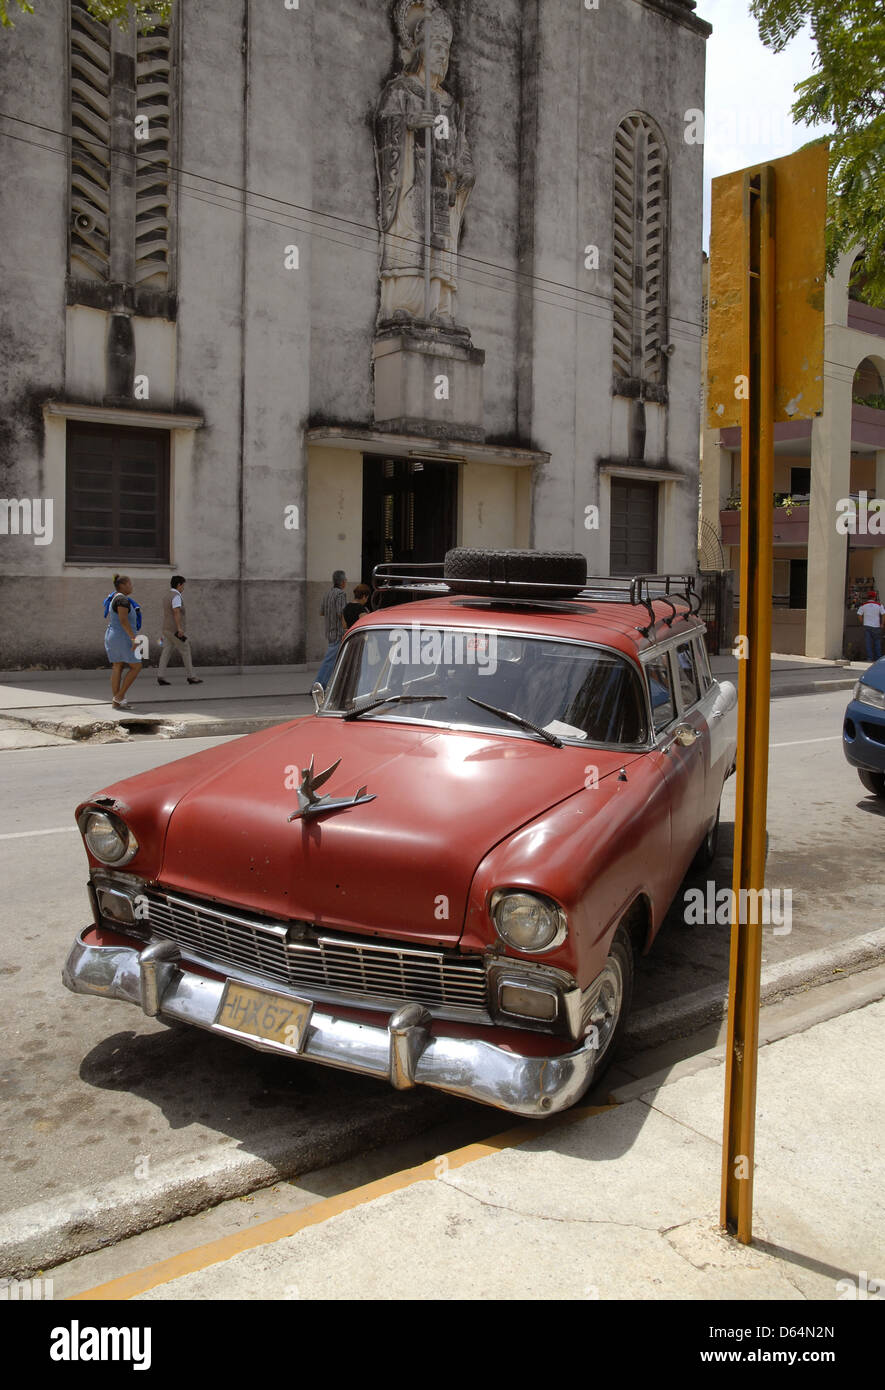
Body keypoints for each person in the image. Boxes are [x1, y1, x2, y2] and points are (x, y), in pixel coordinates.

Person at [103, 574, 143, 711]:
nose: (132, 586)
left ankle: (117, 702)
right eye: (130, 584)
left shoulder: (115, 597)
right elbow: (123, 620)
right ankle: (119, 697)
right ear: (123, 585)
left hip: (114, 636)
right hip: (123, 637)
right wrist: (133, 638)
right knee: (136, 666)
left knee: (117, 666)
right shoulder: (122, 600)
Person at [157, 575, 203, 685]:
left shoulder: (167, 596)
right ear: (179, 585)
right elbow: (176, 612)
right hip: (174, 630)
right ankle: (191, 676)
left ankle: (160, 675)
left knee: (166, 651)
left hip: (166, 628)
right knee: (185, 649)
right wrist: (179, 628)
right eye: (183, 585)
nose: (184, 588)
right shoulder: (176, 597)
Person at [316, 570, 347, 688]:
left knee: (333, 660)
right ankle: (319, 685)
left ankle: (334, 686)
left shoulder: (327, 594)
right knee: (329, 662)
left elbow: (322, 612)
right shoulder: (341, 594)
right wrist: (345, 626)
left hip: (329, 630)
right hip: (337, 631)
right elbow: (341, 613)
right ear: (343, 582)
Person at [857, 589, 885, 662]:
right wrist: (882, 624)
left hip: (867, 626)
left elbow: (859, 615)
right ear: (874, 597)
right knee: (877, 642)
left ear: (868, 597)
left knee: (868, 643)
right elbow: (883, 614)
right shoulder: (879, 605)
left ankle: (870, 658)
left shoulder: (863, 605)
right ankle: (878, 659)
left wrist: (863, 622)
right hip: (876, 626)